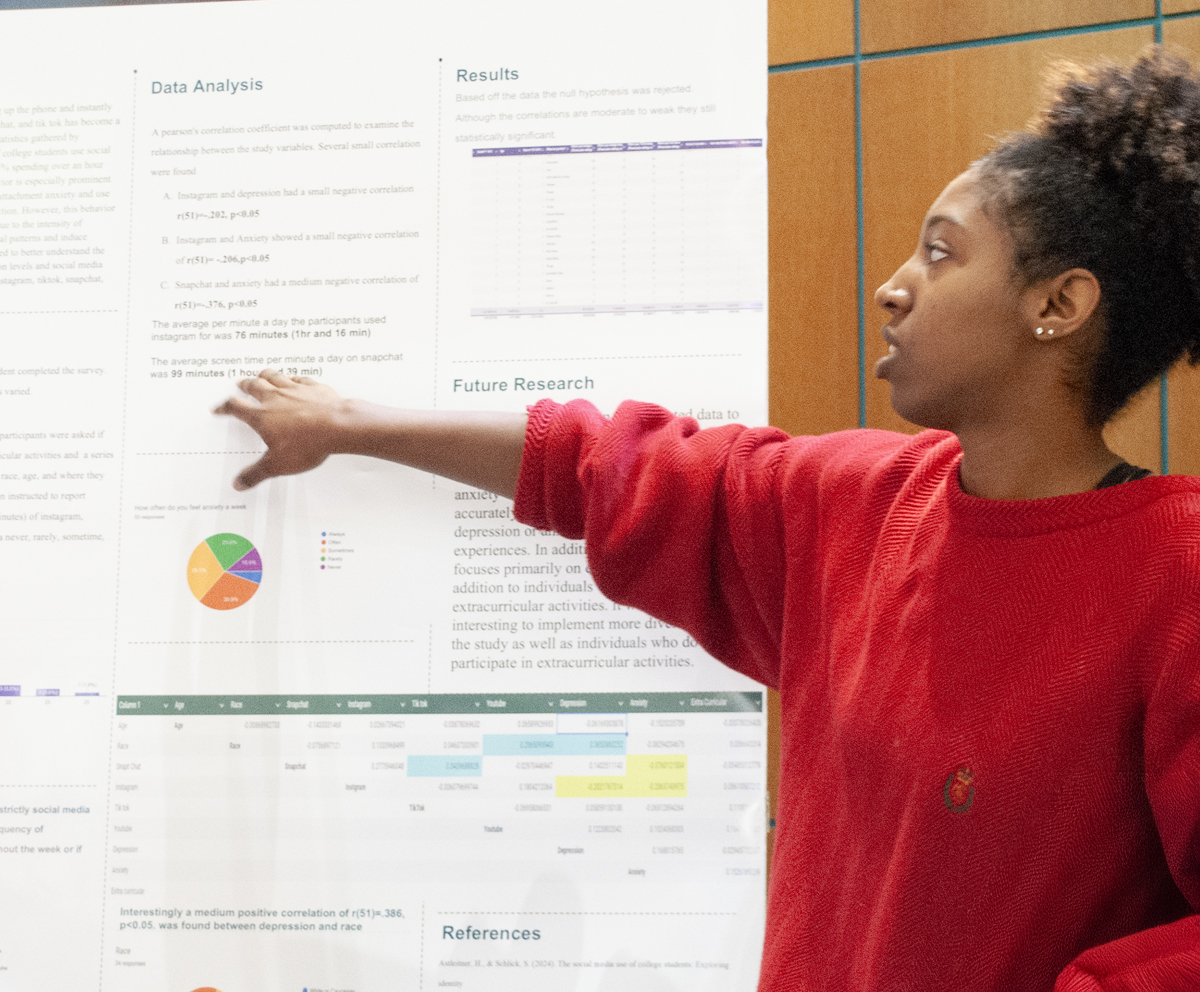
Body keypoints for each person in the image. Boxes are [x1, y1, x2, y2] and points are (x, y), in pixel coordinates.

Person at [216, 49, 1200, 992]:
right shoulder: (852, 502)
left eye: (941, 253)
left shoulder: (1177, 574)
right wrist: (345, 424)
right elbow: (598, 463)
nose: (894, 284)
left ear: (1059, 303)